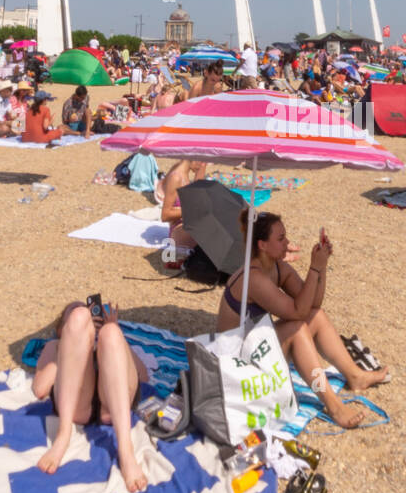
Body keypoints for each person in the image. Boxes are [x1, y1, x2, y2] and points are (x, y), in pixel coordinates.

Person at [216, 210, 387, 429]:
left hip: (256, 347)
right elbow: (297, 312)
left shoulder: (278, 267)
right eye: (280, 239)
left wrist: (321, 267)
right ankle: (334, 406)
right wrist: (314, 267)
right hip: (236, 362)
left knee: (316, 316)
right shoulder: (253, 277)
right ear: (262, 245)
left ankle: (355, 376)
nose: (287, 242)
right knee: (297, 328)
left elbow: (313, 304)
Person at [32, 300, 149, 491]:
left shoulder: (108, 341)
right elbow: (40, 388)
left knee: (110, 334)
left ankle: (126, 451)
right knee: (81, 319)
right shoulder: (55, 345)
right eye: (72, 313)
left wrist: (114, 331)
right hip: (78, 405)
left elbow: (143, 376)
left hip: (112, 405)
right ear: (62, 328)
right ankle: (63, 435)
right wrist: (68, 348)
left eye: (91, 311)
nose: (89, 316)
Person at [159, 160, 208, 248]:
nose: (203, 164)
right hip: (178, 230)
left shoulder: (185, 177)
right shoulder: (176, 178)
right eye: (202, 159)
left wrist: (201, 170)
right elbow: (165, 215)